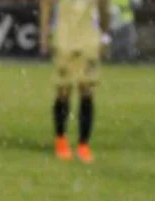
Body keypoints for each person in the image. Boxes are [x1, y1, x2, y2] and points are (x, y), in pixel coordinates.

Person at [41, 0, 111, 163]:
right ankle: (61, 140)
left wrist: (105, 35)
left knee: (86, 90)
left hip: (88, 40)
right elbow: (46, 5)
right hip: (64, 39)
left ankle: (83, 144)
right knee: (63, 91)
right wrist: (44, 35)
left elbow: (103, 7)